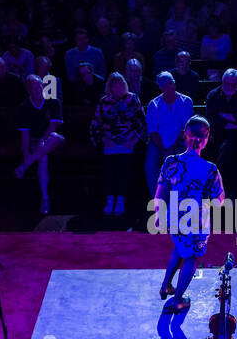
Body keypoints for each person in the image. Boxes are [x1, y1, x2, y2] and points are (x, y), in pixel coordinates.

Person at [152, 116, 224, 314]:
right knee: (192, 257)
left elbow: (159, 194)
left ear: (185, 134)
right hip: (197, 220)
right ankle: (177, 300)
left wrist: (158, 214)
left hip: (174, 217)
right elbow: (219, 200)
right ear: (206, 138)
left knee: (180, 247)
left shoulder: (170, 161)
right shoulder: (210, 169)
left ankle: (166, 285)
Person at [90, 72, 147, 217]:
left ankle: (120, 200)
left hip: (127, 141)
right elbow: (97, 123)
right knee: (110, 171)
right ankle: (110, 200)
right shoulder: (104, 101)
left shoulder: (132, 99)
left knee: (123, 171)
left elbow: (141, 122)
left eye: (119, 84)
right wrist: (104, 139)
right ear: (109, 86)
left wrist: (133, 140)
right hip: (109, 141)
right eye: (114, 85)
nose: (117, 87)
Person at [14, 74, 64, 214]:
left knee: (52, 138)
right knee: (42, 157)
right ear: (28, 90)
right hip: (36, 142)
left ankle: (24, 167)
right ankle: (45, 198)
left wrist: (43, 139)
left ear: (43, 86)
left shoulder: (53, 101)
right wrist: (25, 154)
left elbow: (54, 125)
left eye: (39, 87)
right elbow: (24, 135)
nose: (37, 90)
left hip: (55, 139)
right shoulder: (24, 107)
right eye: (33, 88)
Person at [144, 72, 194, 193]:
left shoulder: (186, 101)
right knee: (150, 166)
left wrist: (172, 148)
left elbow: (186, 129)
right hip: (158, 143)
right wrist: (163, 149)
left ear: (174, 84)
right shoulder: (153, 104)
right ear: (160, 88)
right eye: (165, 86)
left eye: (170, 84)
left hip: (179, 142)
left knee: (182, 164)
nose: (168, 87)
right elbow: (153, 131)